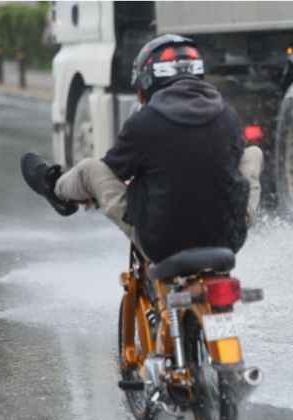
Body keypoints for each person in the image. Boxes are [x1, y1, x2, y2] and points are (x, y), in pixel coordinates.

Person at [20, 34, 264, 263]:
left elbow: (112, 172)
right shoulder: (227, 117)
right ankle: (238, 220)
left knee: (91, 170)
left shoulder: (144, 123)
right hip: (229, 239)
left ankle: (54, 189)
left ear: (147, 83)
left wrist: (88, 192)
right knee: (253, 153)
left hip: (162, 243)